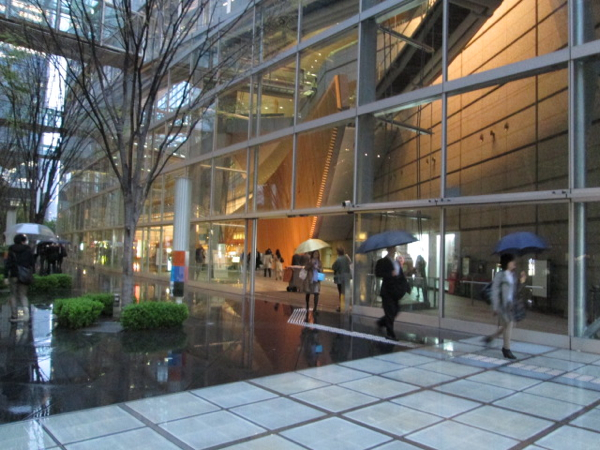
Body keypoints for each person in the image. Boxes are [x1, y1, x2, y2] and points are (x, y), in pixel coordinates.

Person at [482, 253, 519, 359]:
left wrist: (521, 279)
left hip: (510, 304)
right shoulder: (500, 275)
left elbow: (514, 290)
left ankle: (491, 338)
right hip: (502, 305)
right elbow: (495, 291)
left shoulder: (512, 275)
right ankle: (506, 349)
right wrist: (495, 307)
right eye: (511, 261)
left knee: (508, 325)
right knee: (509, 324)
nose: (513, 263)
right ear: (507, 263)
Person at [375, 246, 409, 340]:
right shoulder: (383, 261)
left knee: (396, 310)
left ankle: (381, 322)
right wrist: (390, 274)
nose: (393, 250)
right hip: (387, 291)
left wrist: (406, 286)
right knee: (390, 312)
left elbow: (401, 275)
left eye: (394, 249)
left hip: (395, 291)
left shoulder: (396, 262)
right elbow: (378, 273)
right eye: (392, 249)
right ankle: (390, 334)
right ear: (388, 250)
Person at [3, 234, 35, 323]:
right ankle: (26, 315)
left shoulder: (11, 250)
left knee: (13, 295)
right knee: (23, 295)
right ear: (23, 241)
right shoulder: (28, 250)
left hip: (13, 274)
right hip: (24, 275)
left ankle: (14, 315)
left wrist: (5, 276)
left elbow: (7, 264)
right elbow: (32, 263)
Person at [332, 246, 352, 312]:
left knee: (341, 292)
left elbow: (334, 267)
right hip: (347, 277)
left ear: (338, 252)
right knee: (346, 292)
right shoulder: (347, 258)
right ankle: (346, 306)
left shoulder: (339, 259)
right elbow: (350, 264)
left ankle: (341, 306)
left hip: (340, 279)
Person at [303, 250, 322, 315]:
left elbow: (322, 270)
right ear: (312, 254)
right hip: (310, 279)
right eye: (315, 253)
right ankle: (307, 305)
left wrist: (319, 269)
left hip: (317, 279)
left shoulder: (319, 262)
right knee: (308, 292)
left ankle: (315, 308)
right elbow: (306, 268)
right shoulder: (310, 261)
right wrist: (311, 265)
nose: (316, 255)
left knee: (316, 293)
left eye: (317, 254)